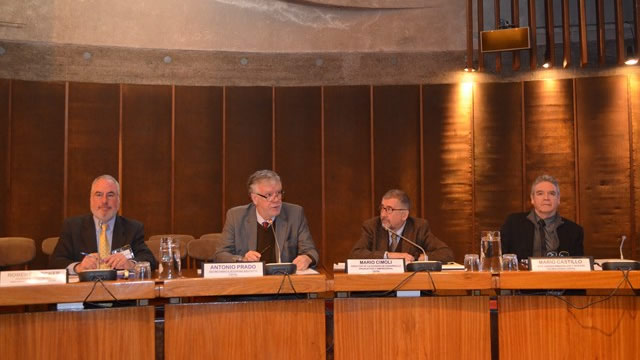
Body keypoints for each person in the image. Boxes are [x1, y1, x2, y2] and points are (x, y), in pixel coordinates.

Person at [214, 170, 319, 270]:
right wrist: (242, 260)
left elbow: (311, 251)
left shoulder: (295, 214)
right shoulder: (236, 216)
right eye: (269, 195)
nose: (276, 199)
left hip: (284, 283)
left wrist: (307, 258)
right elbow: (220, 255)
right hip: (249, 284)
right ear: (255, 198)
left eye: (278, 193)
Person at [50, 174, 156, 273]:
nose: (104, 201)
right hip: (83, 290)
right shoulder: (72, 227)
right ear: (91, 199)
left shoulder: (132, 228)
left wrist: (131, 264)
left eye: (110, 195)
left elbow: (149, 260)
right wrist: (78, 267)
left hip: (120, 290)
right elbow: (55, 262)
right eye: (99, 195)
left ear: (118, 200)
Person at [349, 189, 454, 262]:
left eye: (389, 209)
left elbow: (446, 254)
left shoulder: (418, 227)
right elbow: (355, 254)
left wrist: (416, 258)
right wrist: (389, 256)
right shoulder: (372, 226)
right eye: (382, 208)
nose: (383, 214)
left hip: (410, 288)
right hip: (378, 288)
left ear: (404, 215)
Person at [501, 174, 584, 259]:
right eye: (540, 193)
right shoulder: (513, 223)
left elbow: (579, 267)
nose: (546, 198)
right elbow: (500, 258)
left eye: (551, 193)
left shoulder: (574, 231)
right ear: (532, 199)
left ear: (558, 199)